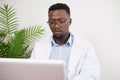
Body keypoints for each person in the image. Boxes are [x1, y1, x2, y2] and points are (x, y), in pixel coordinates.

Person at [31, 3, 100, 80]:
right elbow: (32, 72)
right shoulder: (39, 46)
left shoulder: (85, 47)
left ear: (70, 21)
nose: (56, 26)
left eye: (61, 21)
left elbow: (90, 75)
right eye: (52, 22)